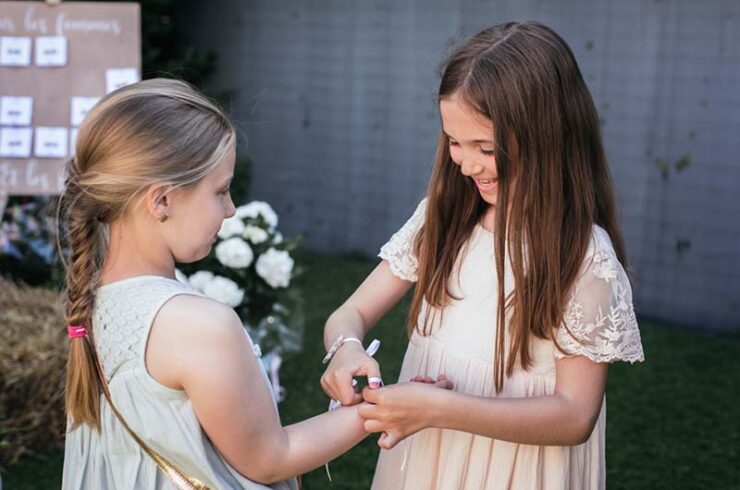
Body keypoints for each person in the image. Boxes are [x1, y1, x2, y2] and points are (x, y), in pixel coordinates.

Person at [320, 21, 644, 490]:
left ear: (547, 138)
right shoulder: (442, 217)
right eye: (453, 141)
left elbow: (575, 415)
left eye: (486, 148)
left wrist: (439, 408)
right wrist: (345, 348)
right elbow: (349, 312)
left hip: (518, 470)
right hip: (428, 455)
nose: (466, 163)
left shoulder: (582, 257)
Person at [60, 78, 375, 489]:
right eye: (221, 191)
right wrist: (378, 409)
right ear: (162, 201)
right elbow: (270, 458)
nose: (230, 209)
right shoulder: (196, 324)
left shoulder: (95, 300)